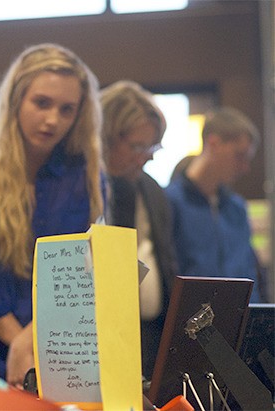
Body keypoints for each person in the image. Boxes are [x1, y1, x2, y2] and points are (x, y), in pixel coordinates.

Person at [0, 43, 105, 396]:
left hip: (60, 354)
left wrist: (30, 340)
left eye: (67, 109)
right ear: (16, 99)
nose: (52, 120)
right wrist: (17, 339)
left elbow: (84, 274)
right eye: (42, 103)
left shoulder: (87, 179)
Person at [100, 80, 178, 381]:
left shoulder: (152, 189)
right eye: (137, 146)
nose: (148, 156)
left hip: (154, 340)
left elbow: (166, 262)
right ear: (105, 138)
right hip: (102, 345)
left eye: (153, 146)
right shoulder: (79, 189)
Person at [166, 107, 264, 303]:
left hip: (241, 322)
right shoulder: (170, 202)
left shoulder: (237, 207)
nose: (244, 168)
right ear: (214, 143)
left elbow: (249, 273)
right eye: (239, 155)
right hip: (192, 324)